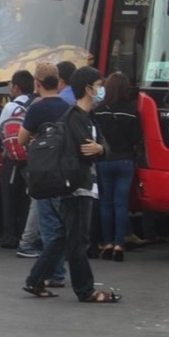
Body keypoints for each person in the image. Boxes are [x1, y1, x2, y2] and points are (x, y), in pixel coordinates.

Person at [24, 66, 121, 303]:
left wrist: (101, 149)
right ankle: (85, 290)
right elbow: (86, 150)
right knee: (78, 240)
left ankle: (35, 280)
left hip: (79, 184)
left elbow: (103, 147)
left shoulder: (88, 117)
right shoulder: (75, 118)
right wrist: (99, 150)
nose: (101, 90)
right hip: (78, 185)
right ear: (88, 89)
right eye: (99, 85)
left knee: (62, 236)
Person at [18, 62, 71, 284]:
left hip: (43, 172)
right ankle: (59, 269)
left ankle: (55, 273)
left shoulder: (37, 108)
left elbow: (21, 139)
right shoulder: (68, 106)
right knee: (62, 223)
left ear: (37, 84)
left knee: (49, 224)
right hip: (66, 171)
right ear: (58, 81)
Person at [93, 71, 141, 262]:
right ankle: (120, 244)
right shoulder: (132, 109)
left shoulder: (99, 110)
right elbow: (137, 138)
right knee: (121, 203)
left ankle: (107, 243)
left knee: (105, 203)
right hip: (125, 160)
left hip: (104, 159)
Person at [0, 69, 35, 249]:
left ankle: (9, 236)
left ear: (16, 88)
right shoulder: (36, 103)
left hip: (12, 157)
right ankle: (24, 233)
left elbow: (0, 130)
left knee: (9, 198)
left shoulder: (11, 107)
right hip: (32, 157)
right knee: (26, 198)